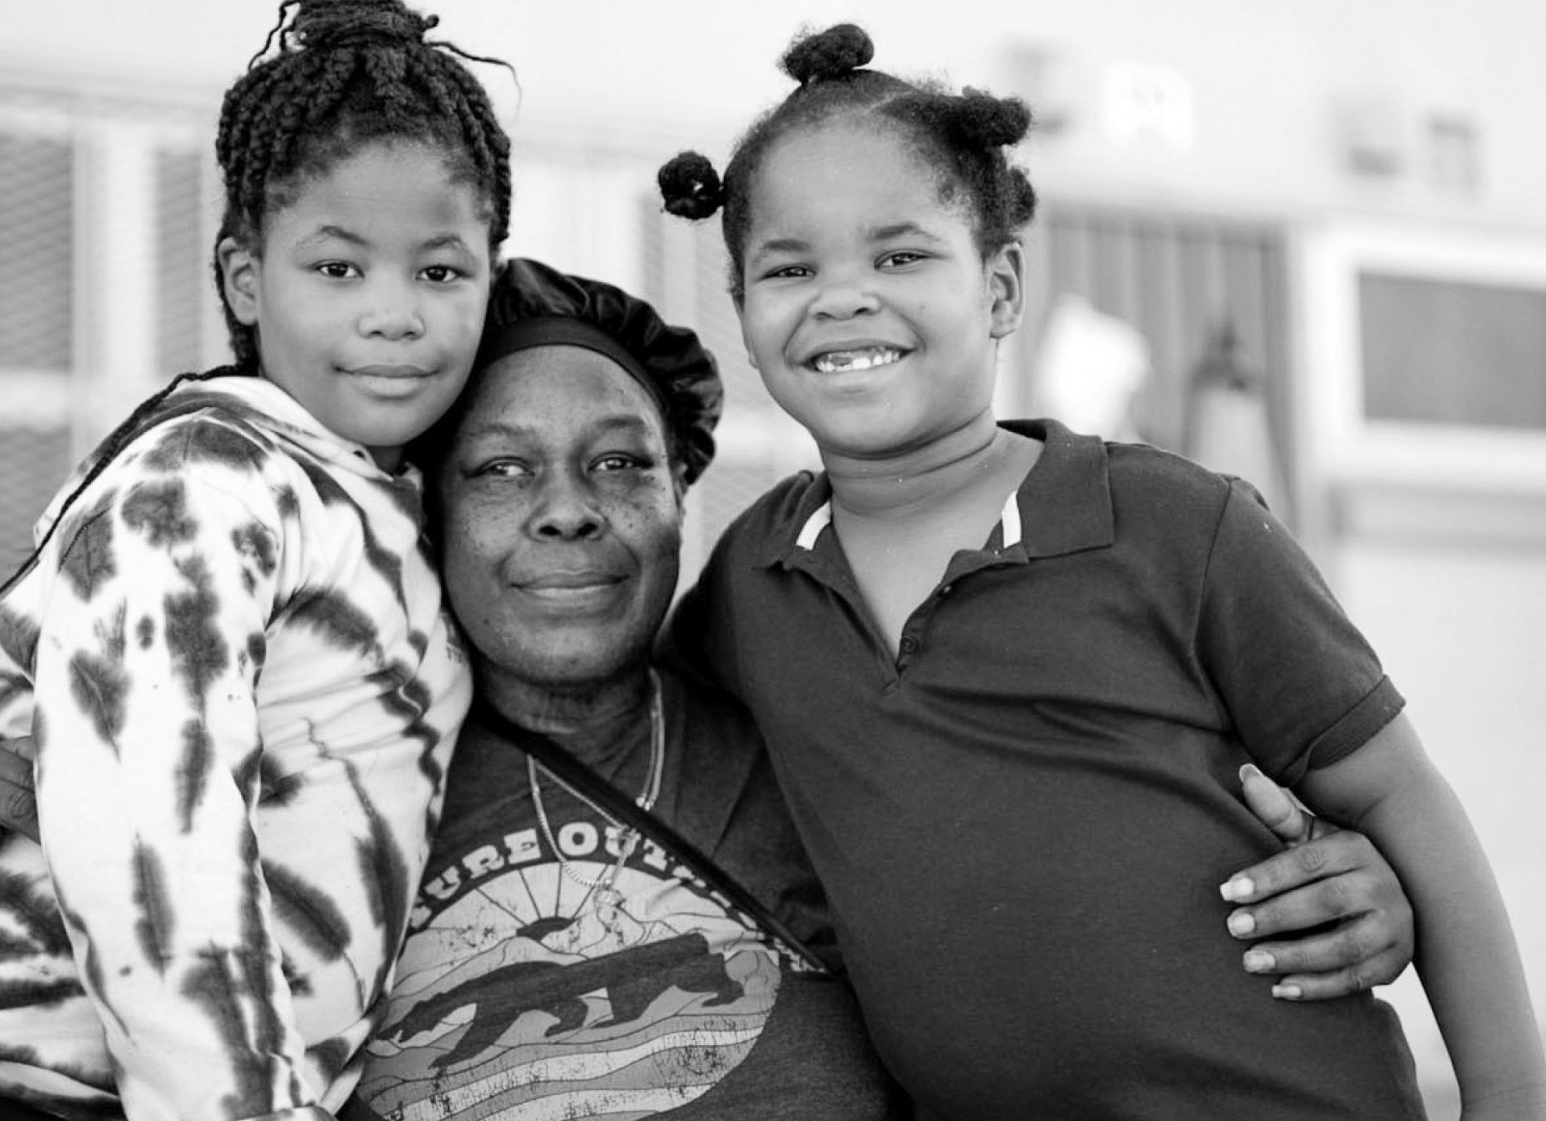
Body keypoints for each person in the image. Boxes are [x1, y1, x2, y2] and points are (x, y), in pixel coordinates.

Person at [0, 262, 1422, 1120]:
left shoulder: (800, 719)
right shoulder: (309, 768)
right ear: (419, 519)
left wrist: (1354, 878)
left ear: (684, 499)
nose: (567, 512)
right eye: (502, 474)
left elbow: (1057, 860)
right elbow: (71, 963)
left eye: (619, 467)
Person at [657, 23, 1546, 1121]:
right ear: (743, 315)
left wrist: (1508, 1099)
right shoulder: (753, 580)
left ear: (999, 289)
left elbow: (1404, 799)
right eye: (791, 267)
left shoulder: (1174, 525)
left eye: (900, 255)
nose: (844, 296)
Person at [0, 1, 506, 1118]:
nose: (393, 315)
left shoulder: (384, 502)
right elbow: (150, 825)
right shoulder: (203, 480)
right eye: (337, 269)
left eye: (439, 273)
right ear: (244, 279)